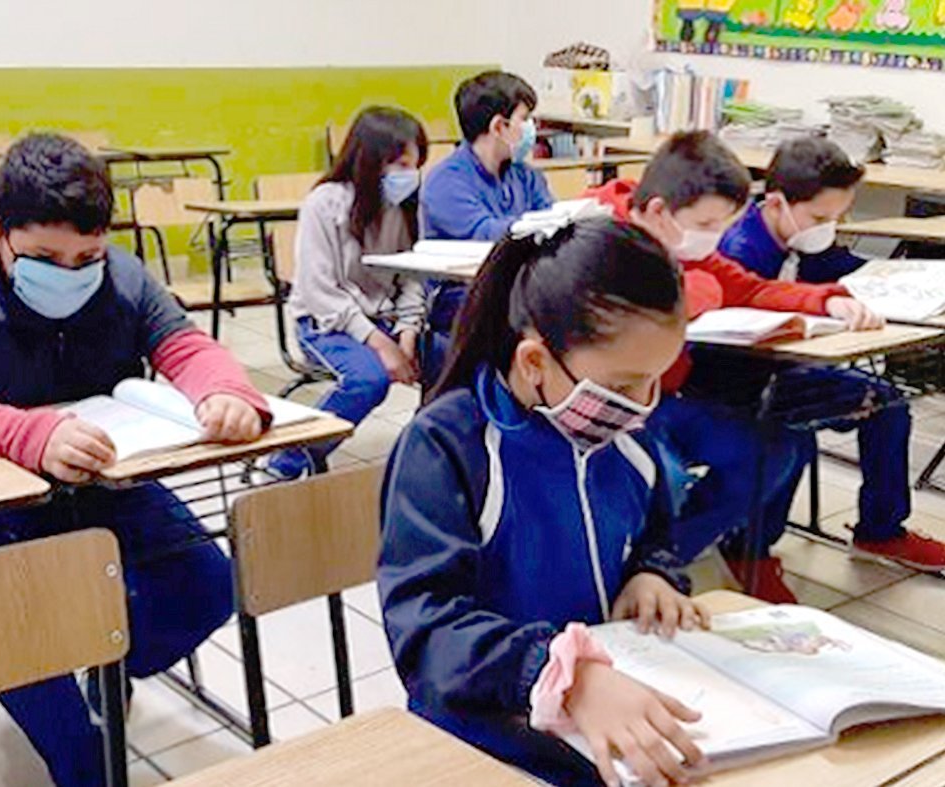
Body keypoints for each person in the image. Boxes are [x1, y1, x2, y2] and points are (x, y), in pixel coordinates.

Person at [0, 133, 269, 787]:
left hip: (103, 479)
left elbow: (183, 344)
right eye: (45, 257)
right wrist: (27, 434)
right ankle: (76, 739)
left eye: (86, 257)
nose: (70, 272)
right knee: (37, 674)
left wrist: (226, 391)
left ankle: (109, 663)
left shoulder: (121, 275)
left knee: (209, 585)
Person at [380, 217, 708, 787]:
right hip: (486, 728)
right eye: (624, 385)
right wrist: (562, 675)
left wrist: (652, 574)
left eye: (655, 380)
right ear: (534, 362)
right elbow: (426, 631)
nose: (642, 406)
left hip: (609, 700)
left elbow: (656, 533)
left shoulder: (626, 437)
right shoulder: (447, 446)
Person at [589, 131, 945, 598]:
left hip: (667, 394)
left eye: (721, 225)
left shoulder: (689, 246)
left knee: (774, 448)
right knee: (684, 469)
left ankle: (662, 564)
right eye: (707, 224)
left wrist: (827, 301)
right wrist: (698, 291)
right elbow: (658, 309)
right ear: (658, 211)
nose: (715, 238)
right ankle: (649, 564)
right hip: (621, 400)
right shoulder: (602, 242)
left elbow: (749, 288)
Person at [266, 107, 427, 478]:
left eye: (415, 165)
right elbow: (319, 291)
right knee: (369, 380)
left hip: (384, 319)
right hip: (325, 323)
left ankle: (429, 458)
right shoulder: (325, 203)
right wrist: (381, 344)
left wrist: (408, 332)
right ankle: (287, 462)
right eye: (401, 165)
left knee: (447, 357)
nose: (410, 176)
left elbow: (411, 277)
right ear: (372, 161)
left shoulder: (404, 207)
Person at [419, 71, 553, 377]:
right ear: (499, 126)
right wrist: (537, 225)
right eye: (525, 119)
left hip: (519, 286)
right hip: (463, 299)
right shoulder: (445, 181)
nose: (532, 129)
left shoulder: (526, 175)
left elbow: (551, 221)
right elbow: (486, 234)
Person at [719, 137, 866, 284]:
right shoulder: (739, 256)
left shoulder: (798, 234)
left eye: (838, 217)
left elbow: (831, 264)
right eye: (819, 219)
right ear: (776, 205)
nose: (828, 228)